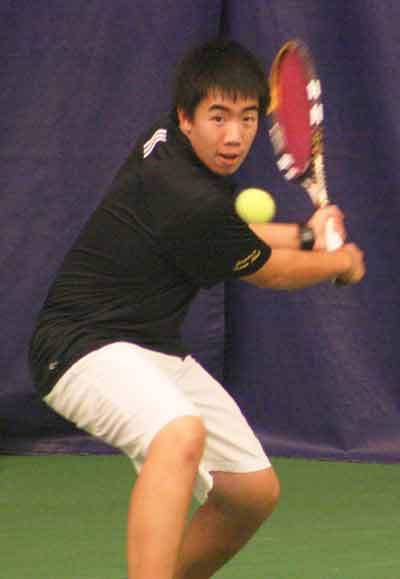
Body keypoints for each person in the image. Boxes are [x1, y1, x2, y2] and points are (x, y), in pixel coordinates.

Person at [29, 39, 365, 579]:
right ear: (186, 117)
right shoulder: (188, 194)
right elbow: (269, 269)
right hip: (78, 347)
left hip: (149, 345)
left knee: (250, 491)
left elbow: (230, 235)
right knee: (178, 432)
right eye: (218, 117)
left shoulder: (167, 149)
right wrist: (340, 261)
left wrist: (308, 232)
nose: (234, 136)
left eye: (249, 117)